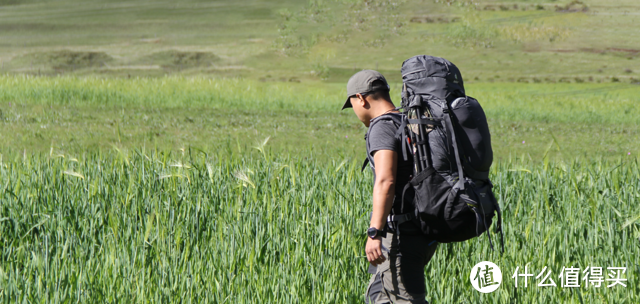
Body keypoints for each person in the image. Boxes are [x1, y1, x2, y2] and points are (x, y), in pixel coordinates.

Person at [341, 70, 438, 304]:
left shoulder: (382, 127)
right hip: (421, 233)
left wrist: (375, 231)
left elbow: (386, 180)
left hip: (400, 237)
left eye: (352, 104)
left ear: (361, 99)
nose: (355, 111)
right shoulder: (408, 123)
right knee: (378, 297)